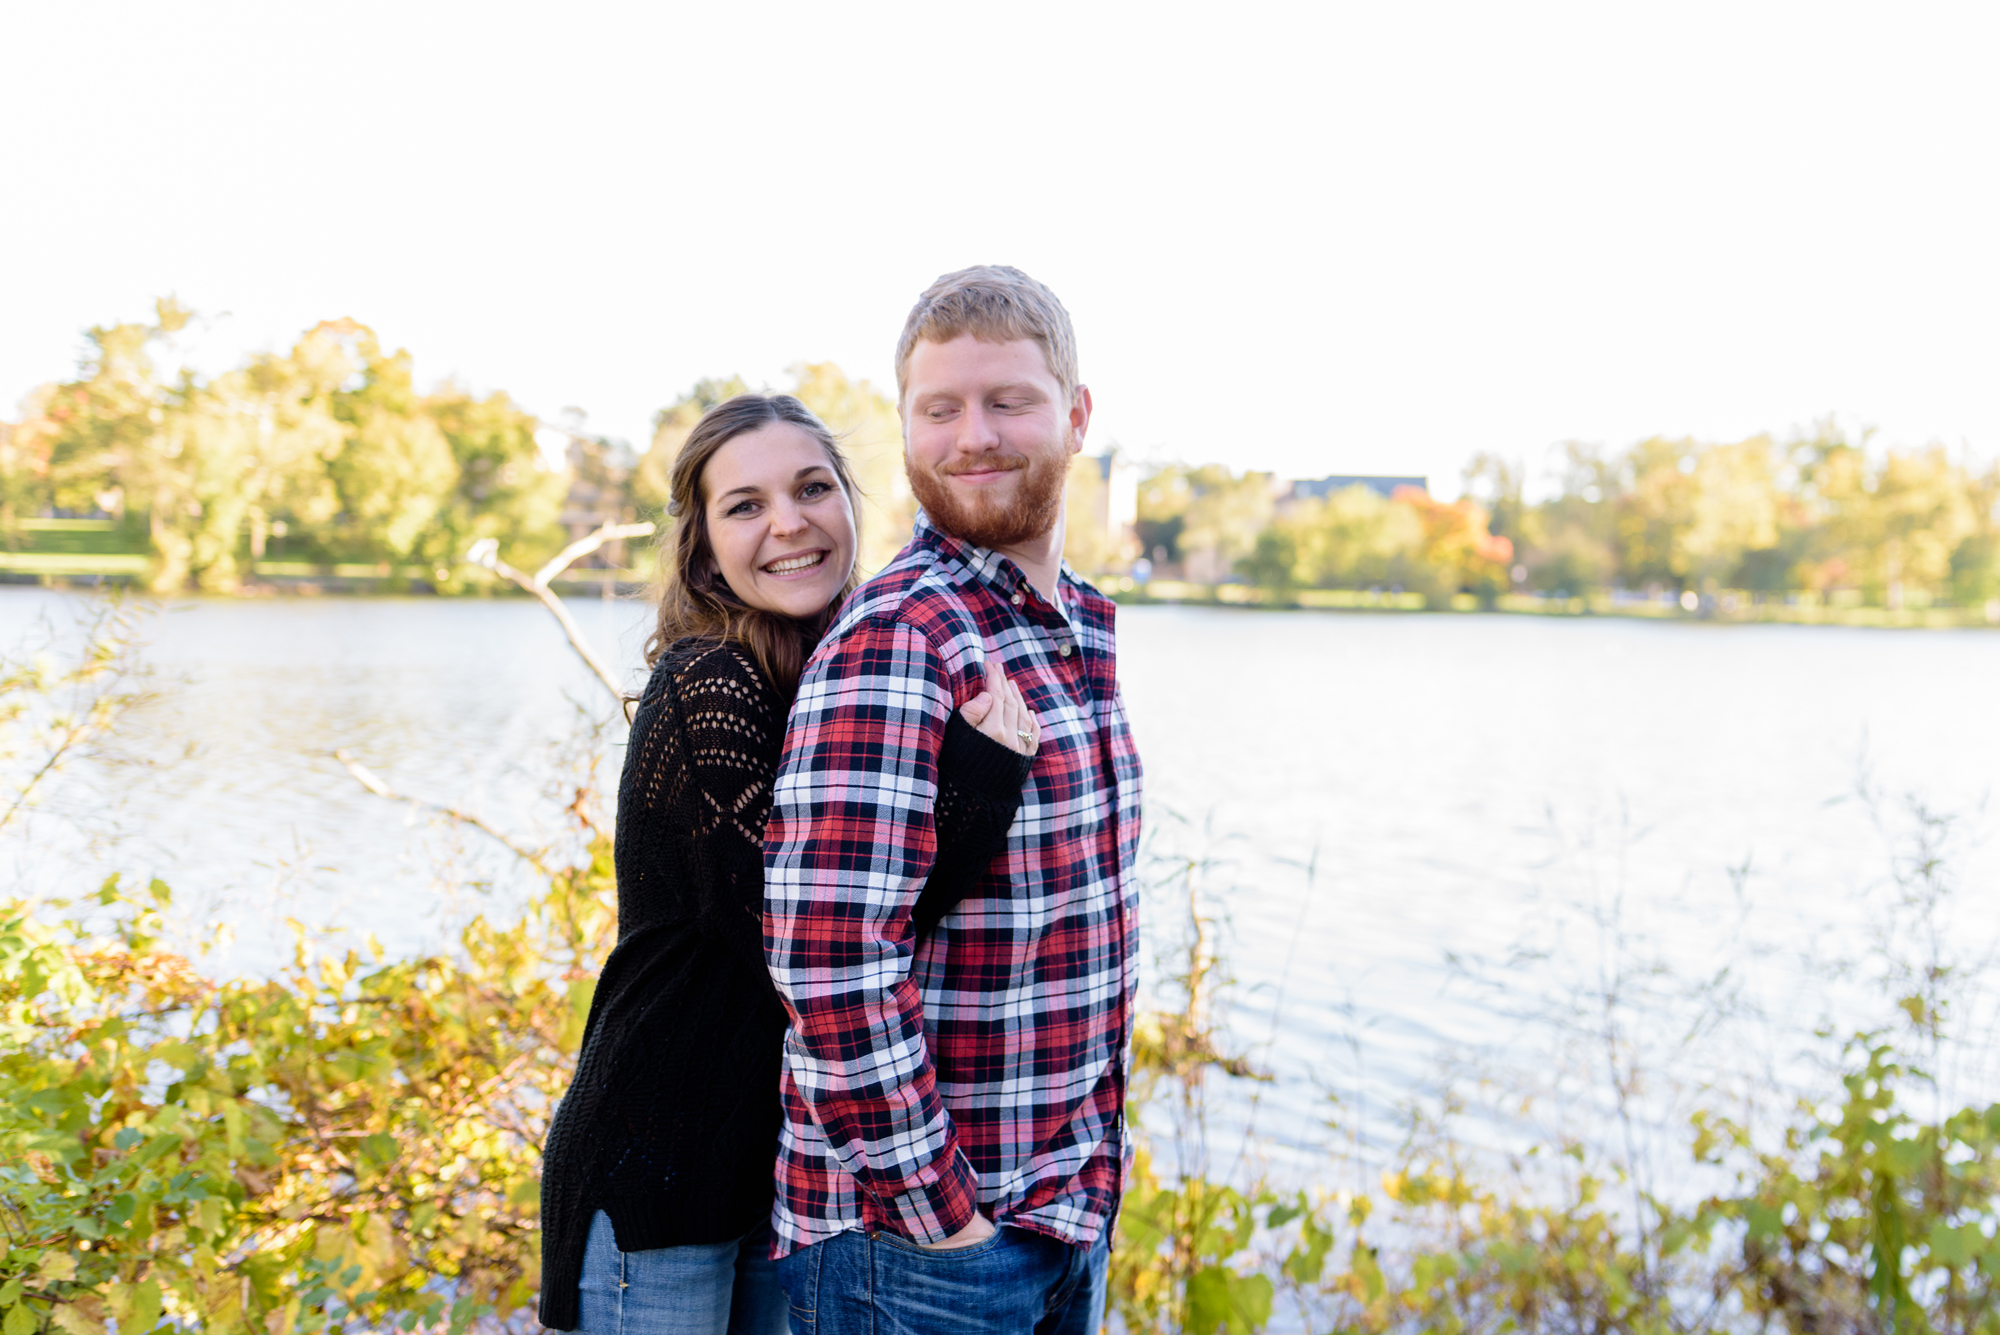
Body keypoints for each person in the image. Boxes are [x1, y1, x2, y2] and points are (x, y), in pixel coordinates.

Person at [538, 393, 1045, 1334]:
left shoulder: (830, 671)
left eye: (813, 488)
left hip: (752, 1178)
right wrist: (980, 788)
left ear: (851, 503)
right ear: (701, 545)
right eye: (744, 505)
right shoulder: (710, 685)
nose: (788, 523)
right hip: (660, 1172)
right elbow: (810, 927)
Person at [763, 267, 1144, 1335]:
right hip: (916, 1256)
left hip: (1059, 1217)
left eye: (1006, 401)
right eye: (940, 409)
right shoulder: (901, 637)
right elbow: (828, 958)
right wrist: (941, 1219)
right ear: (905, 431)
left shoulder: (1074, 631)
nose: (971, 435)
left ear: (1074, 416)